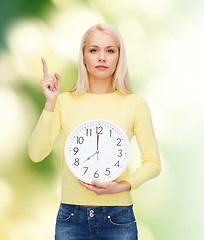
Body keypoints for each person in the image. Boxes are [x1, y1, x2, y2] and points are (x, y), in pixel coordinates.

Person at [28, 23, 161, 240]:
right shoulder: (63, 102)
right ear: (83, 57)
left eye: (110, 50)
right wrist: (49, 104)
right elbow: (36, 154)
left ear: (119, 57)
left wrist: (120, 187)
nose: (102, 57)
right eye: (93, 50)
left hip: (118, 218)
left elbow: (153, 163)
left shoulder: (135, 104)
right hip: (71, 218)